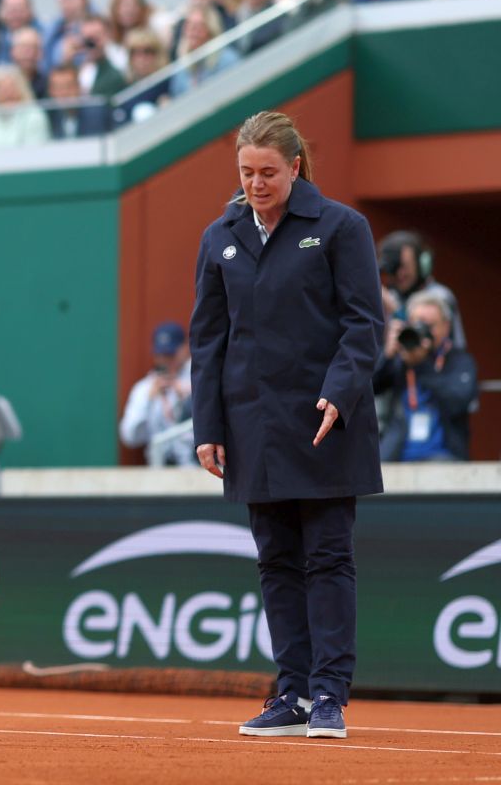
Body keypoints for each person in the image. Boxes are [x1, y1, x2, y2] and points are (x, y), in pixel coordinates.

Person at [190, 111, 383, 741]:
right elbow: (208, 341)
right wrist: (208, 424)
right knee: (275, 559)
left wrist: (339, 393)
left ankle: (329, 693)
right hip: (252, 426)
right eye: (246, 172)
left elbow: (363, 325)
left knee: (327, 556)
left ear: (295, 167)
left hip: (327, 421)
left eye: (267, 172)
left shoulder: (340, 227)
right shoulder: (218, 236)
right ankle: (292, 693)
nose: (255, 183)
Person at [373, 291, 477, 462]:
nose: (422, 331)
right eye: (417, 324)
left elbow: (458, 401)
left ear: (446, 326)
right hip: (396, 456)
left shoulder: (459, 360)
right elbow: (367, 389)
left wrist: (422, 364)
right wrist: (387, 355)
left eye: (429, 325)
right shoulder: (402, 358)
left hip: (445, 458)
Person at [119, 321, 194, 465]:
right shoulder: (144, 388)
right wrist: (149, 401)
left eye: (171, 354)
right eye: (161, 354)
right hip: (160, 468)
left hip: (199, 465)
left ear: (185, 348)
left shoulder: (199, 380)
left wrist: (189, 396)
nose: (166, 360)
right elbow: (130, 437)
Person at [377, 230, 466, 349]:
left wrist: (395, 310)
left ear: (422, 263)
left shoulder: (440, 295)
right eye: (394, 268)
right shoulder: (390, 296)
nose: (400, 274)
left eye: (404, 266)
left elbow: (423, 342)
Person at [0, 64, 50, 149]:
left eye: (11, 87)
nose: (7, 94)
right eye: (2, 89)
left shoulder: (34, 116)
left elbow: (35, 152)